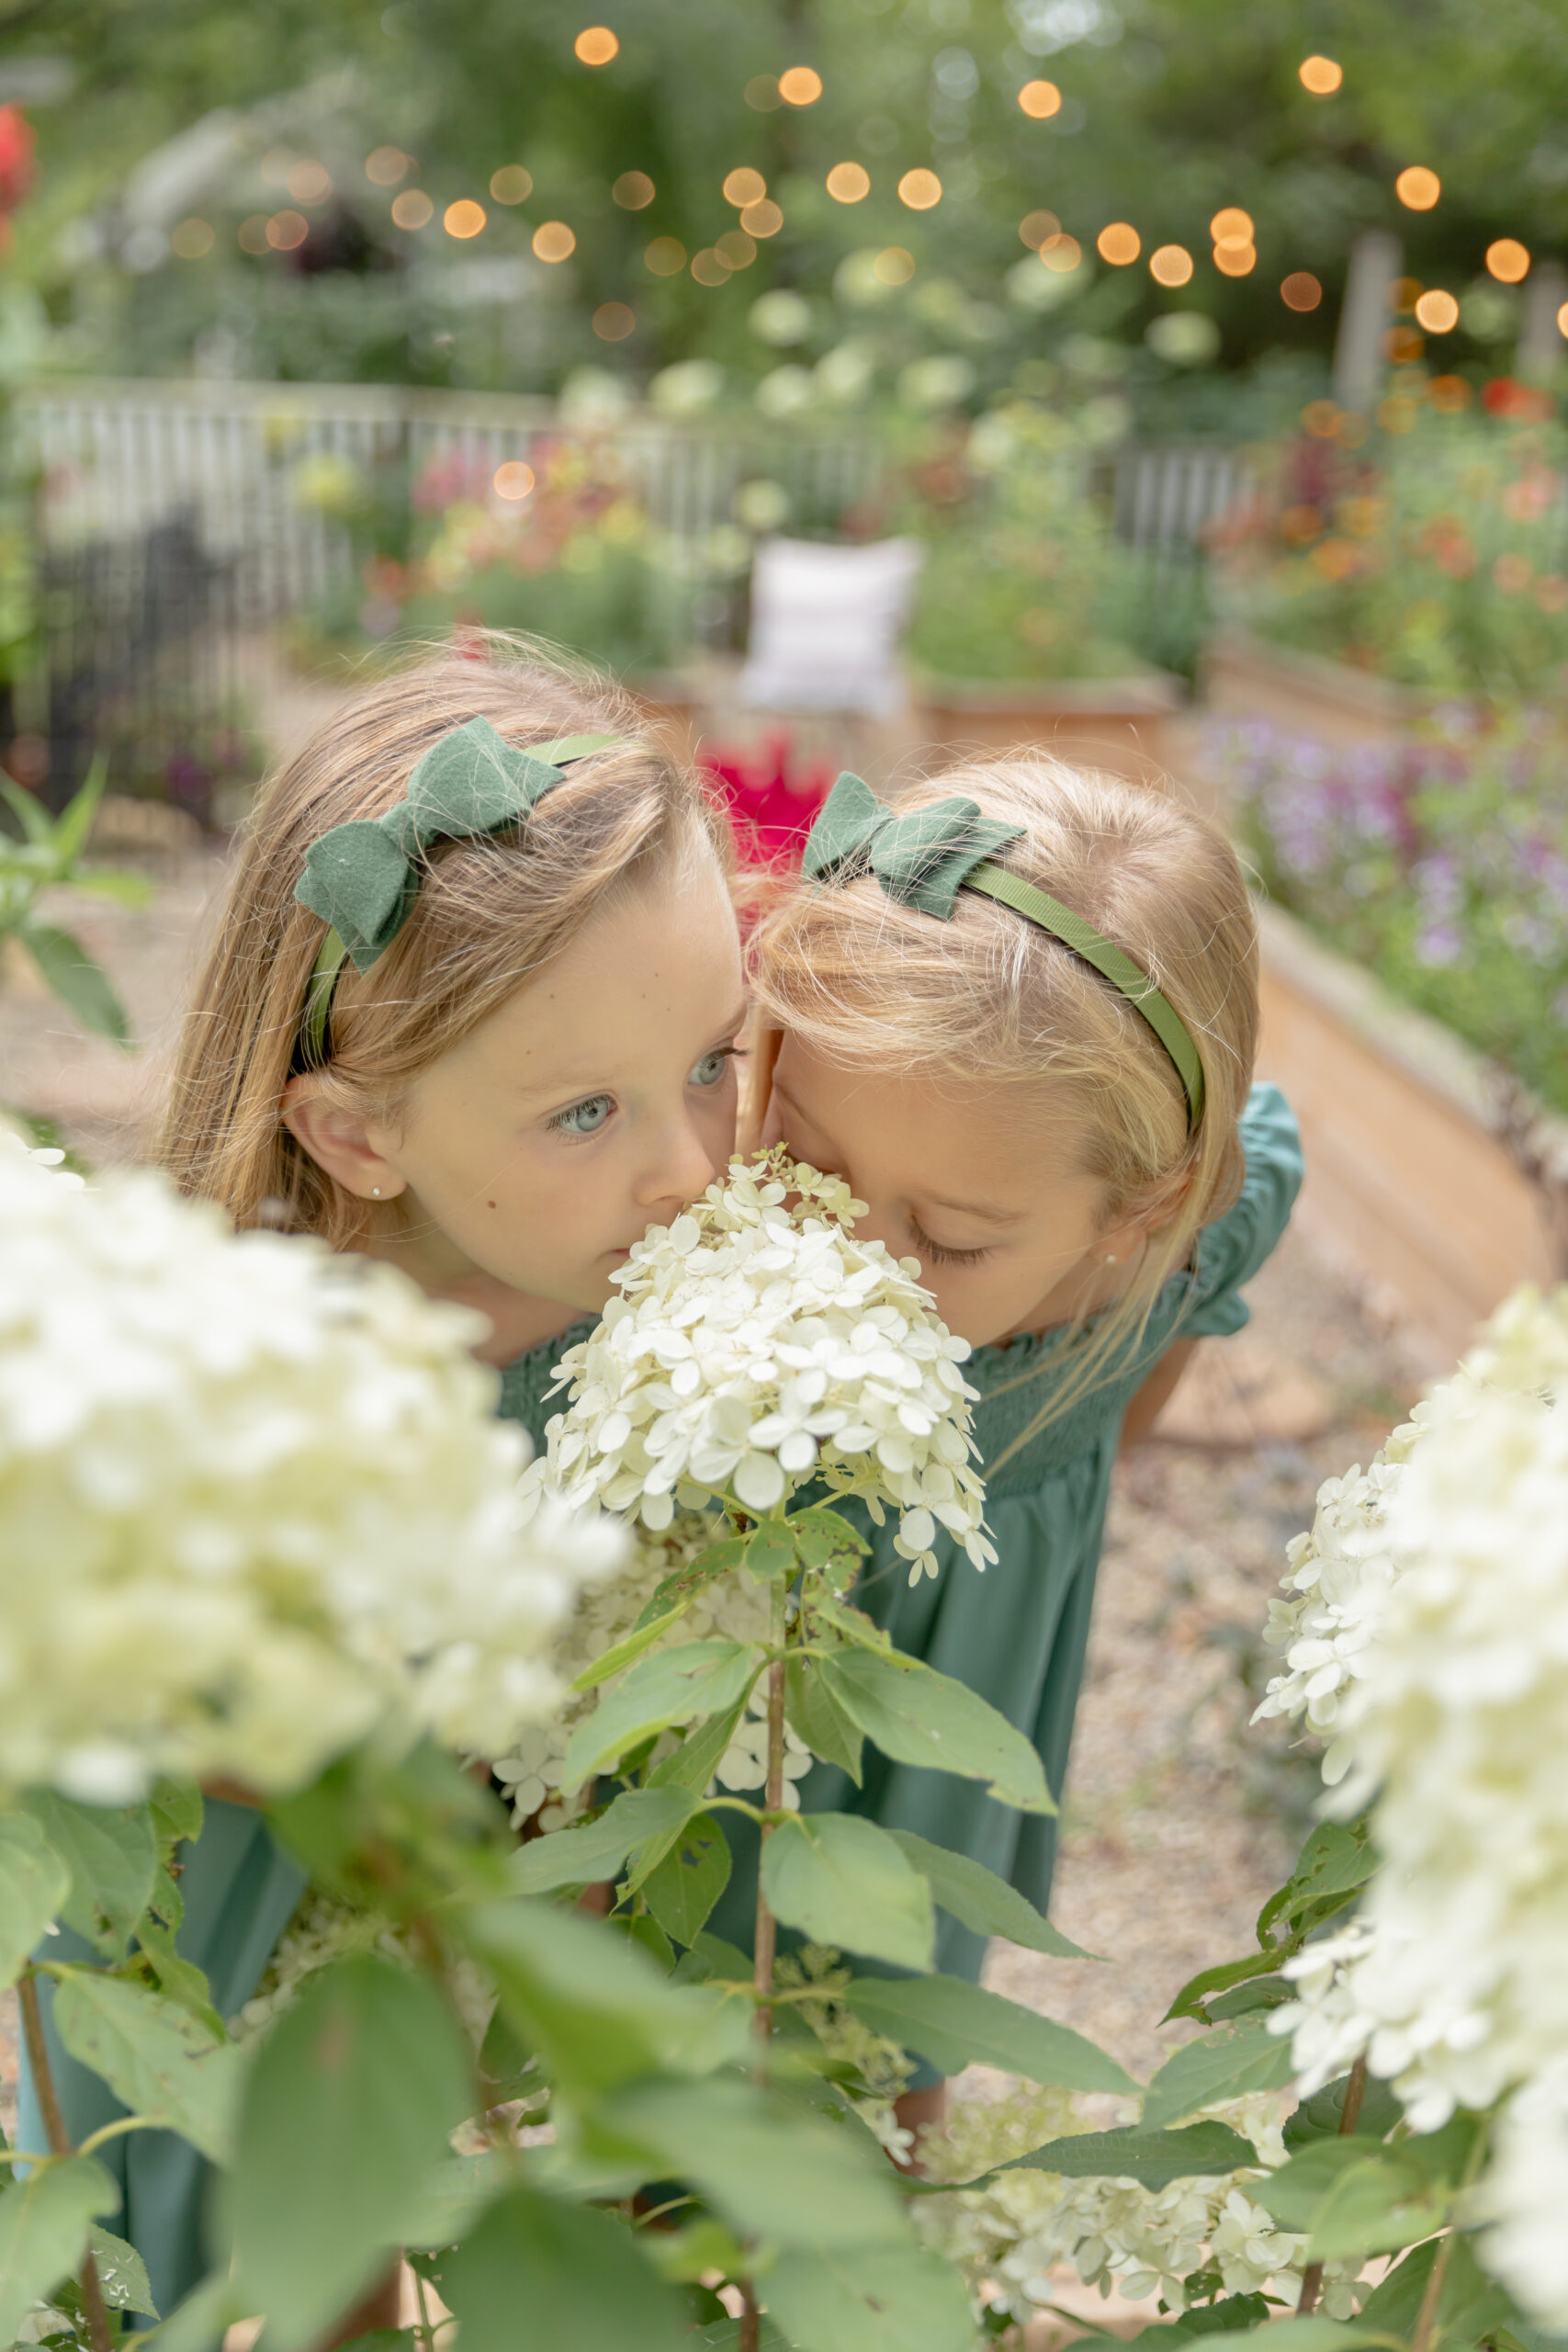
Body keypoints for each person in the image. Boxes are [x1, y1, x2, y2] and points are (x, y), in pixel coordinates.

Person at [22, 639, 746, 2323]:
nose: (691, 1166)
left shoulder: (648, 1304)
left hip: (517, 1970)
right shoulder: (230, 1375)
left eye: (712, 1059)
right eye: (587, 1112)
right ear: (355, 1135)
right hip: (239, 1958)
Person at [719, 752, 1303, 2140]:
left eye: (952, 1241)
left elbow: (1231, 1212)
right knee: (684, 2067)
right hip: (741, 1748)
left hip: (955, 1726)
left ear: (1140, 1209)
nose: (855, 1265)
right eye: (809, 1162)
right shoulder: (726, 1274)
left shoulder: (1185, 1236)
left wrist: (1052, 1442)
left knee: (911, 2028)